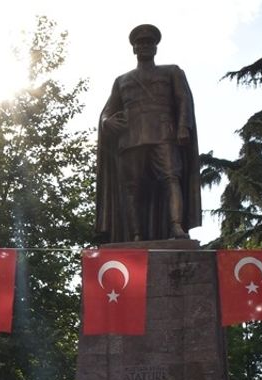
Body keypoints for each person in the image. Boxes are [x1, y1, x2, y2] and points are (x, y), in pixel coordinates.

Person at [96, 23, 200, 244]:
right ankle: (136, 234)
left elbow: (184, 100)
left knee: (172, 178)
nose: (144, 46)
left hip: (164, 134)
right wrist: (106, 122)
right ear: (134, 49)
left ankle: (176, 226)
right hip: (131, 140)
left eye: (149, 43)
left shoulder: (171, 71)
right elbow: (107, 111)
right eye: (140, 43)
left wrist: (183, 126)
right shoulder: (122, 80)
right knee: (132, 188)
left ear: (155, 47)